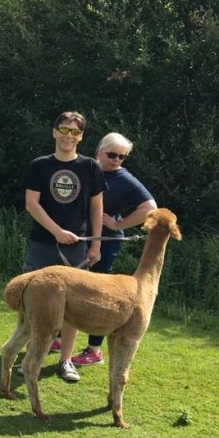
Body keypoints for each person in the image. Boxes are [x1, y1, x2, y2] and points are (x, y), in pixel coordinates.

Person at [22, 111, 106, 383]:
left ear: (81, 137)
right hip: (42, 244)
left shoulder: (91, 167)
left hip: (77, 248)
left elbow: (97, 208)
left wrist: (94, 244)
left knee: (72, 308)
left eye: (74, 132)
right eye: (64, 130)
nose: (68, 136)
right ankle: (30, 357)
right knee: (32, 305)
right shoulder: (39, 165)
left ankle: (66, 361)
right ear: (54, 132)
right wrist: (57, 232)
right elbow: (31, 204)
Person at [71, 132, 156, 366]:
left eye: (122, 157)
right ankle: (61, 337)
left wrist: (119, 224)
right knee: (73, 289)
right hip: (79, 237)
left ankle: (94, 349)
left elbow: (150, 207)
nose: (116, 160)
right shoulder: (87, 169)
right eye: (111, 155)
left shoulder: (124, 179)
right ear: (99, 151)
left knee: (97, 294)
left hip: (105, 243)